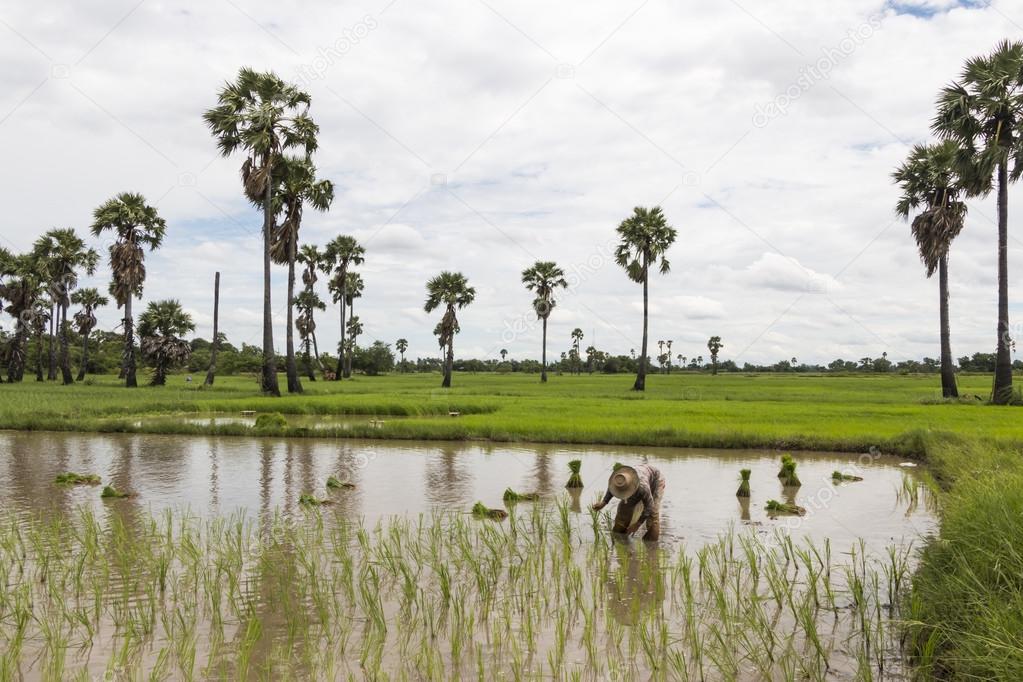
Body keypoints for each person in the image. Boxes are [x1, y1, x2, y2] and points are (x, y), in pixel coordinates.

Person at [592, 463, 665, 541]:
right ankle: (619, 537)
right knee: (623, 510)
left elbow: (649, 506)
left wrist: (637, 524)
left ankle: (651, 544)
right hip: (637, 476)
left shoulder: (642, 488)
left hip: (656, 480)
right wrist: (603, 503)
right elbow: (612, 488)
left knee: (653, 514)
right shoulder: (618, 479)